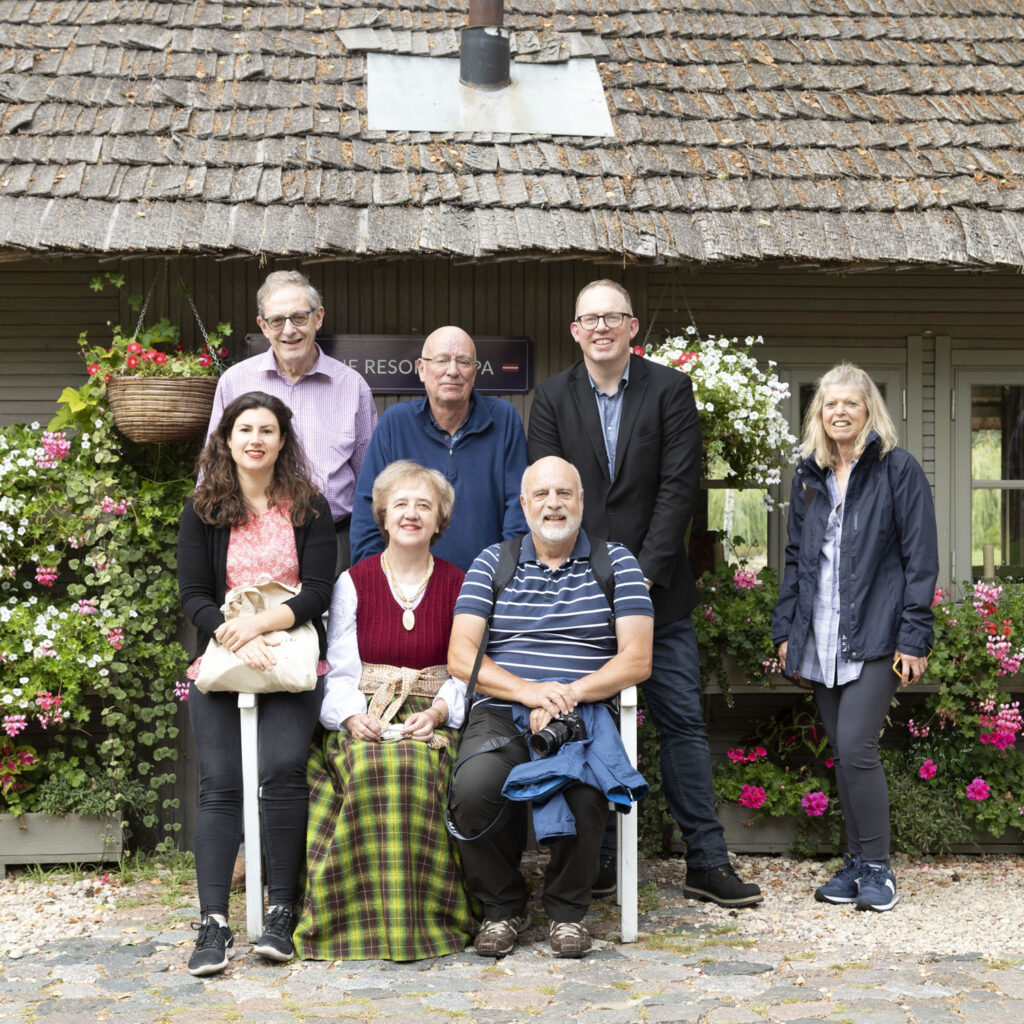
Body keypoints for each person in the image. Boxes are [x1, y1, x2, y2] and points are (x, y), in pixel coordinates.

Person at [527, 279, 762, 908]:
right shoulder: (550, 398)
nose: (601, 328)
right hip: (580, 598)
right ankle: (597, 859)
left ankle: (706, 862)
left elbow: (678, 492)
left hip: (660, 598)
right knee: (587, 720)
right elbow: (552, 497)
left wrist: (640, 583)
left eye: (614, 317)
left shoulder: (669, 390)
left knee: (682, 725)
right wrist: (593, 586)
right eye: (589, 319)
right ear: (574, 331)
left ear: (633, 328)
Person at [447, 456, 654, 959]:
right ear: (523, 504)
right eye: (541, 495)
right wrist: (530, 692)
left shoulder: (617, 562)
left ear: (581, 502)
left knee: (585, 791)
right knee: (473, 791)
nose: (553, 504)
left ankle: (567, 913)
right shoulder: (492, 561)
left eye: (564, 493)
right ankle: (503, 907)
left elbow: (638, 657)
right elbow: (460, 654)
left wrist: (568, 695)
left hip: (581, 710)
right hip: (502, 709)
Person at [177, 391, 335, 976]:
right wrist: (234, 634)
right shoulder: (201, 509)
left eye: (268, 430)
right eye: (245, 429)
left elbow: (319, 589)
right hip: (224, 655)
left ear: (283, 441)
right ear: (227, 439)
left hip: (290, 653)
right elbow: (193, 593)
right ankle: (213, 921)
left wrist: (263, 625)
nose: (256, 440)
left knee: (282, 772)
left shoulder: (309, 508)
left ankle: (279, 912)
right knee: (219, 785)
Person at [293, 460, 477, 961]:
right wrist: (353, 717)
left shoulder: (462, 582)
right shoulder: (353, 581)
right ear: (383, 515)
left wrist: (438, 712)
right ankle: (351, 920)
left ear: (440, 519)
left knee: (418, 769)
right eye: (401, 504)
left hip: (431, 712)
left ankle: (428, 921)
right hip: (368, 709)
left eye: (424, 505)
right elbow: (339, 668)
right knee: (370, 765)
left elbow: (465, 672)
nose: (411, 514)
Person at [772, 363, 938, 912]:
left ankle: (877, 869)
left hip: (876, 633)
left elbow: (920, 560)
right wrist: (786, 631)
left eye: (851, 403)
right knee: (844, 755)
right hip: (819, 637)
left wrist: (914, 637)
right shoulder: (809, 476)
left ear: (870, 411)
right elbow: (795, 559)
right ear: (819, 414)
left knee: (855, 747)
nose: (839, 412)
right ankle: (853, 863)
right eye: (829, 404)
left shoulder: (899, 470)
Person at [207, 269, 377, 574]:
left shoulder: (352, 386)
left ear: (318, 317)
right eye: (277, 321)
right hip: (251, 542)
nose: (289, 330)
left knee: (334, 622)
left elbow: (370, 481)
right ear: (263, 326)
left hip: (335, 541)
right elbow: (214, 467)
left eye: (299, 317)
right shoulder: (235, 382)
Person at [349, 325, 528, 571]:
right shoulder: (395, 423)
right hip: (408, 589)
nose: (452, 371)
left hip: (487, 587)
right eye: (442, 360)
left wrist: (505, 579)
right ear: (422, 369)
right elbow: (368, 511)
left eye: (463, 362)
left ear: (474, 373)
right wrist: (372, 582)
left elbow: (518, 512)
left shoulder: (504, 420)